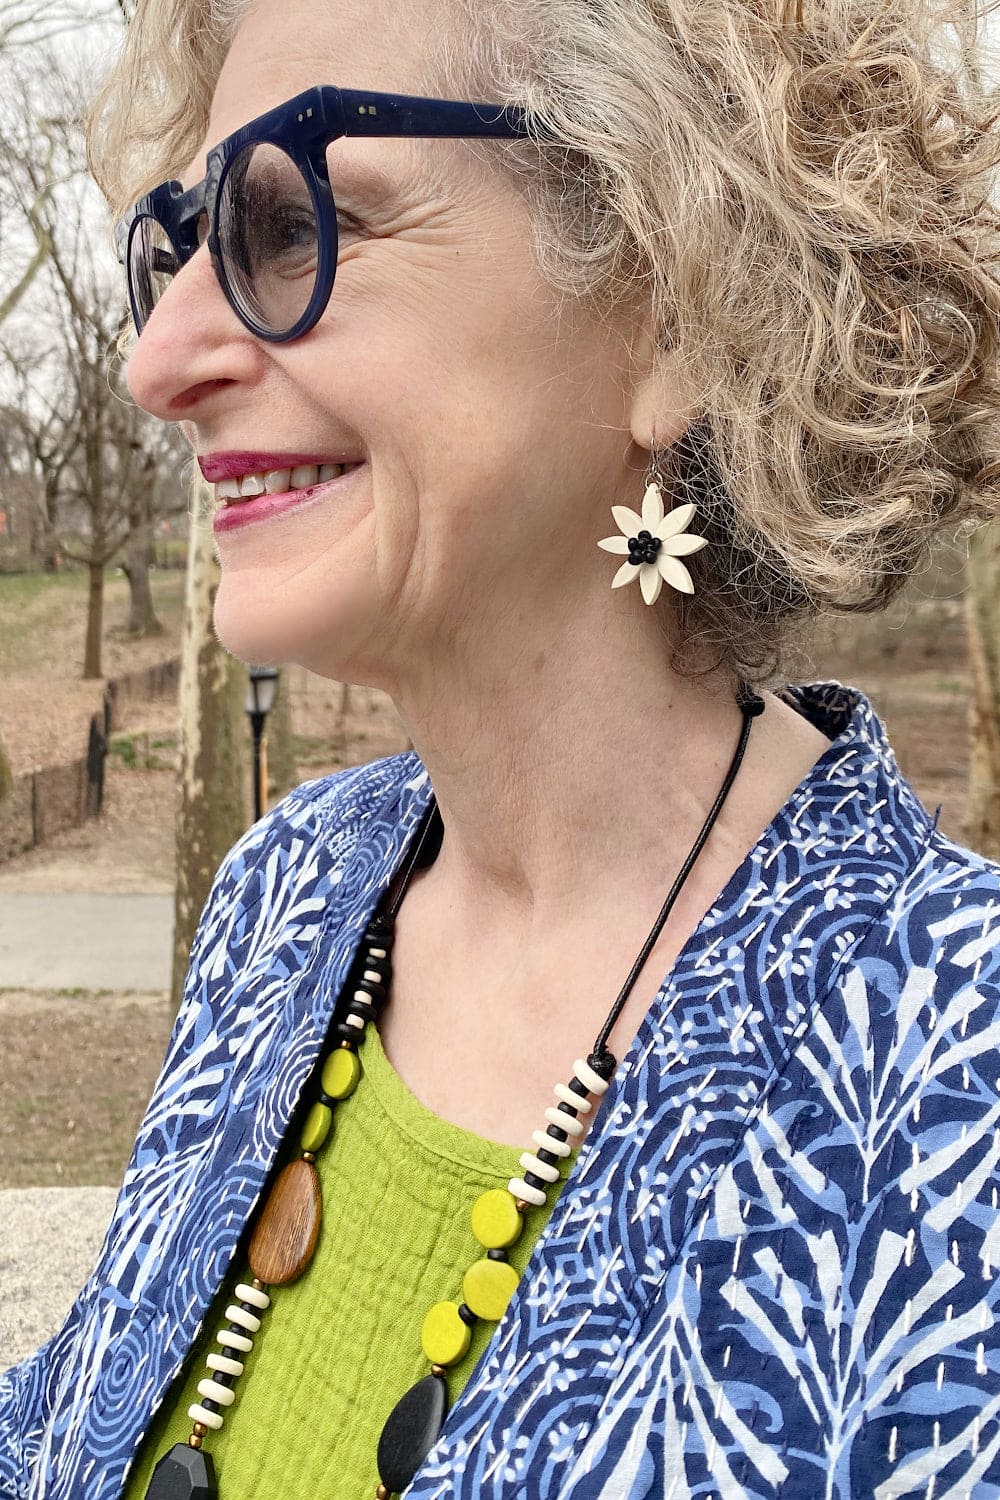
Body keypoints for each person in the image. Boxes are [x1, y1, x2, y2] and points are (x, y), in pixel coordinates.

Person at [4, 0, 1000, 1494]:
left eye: (293, 227)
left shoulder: (950, 1091)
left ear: (674, 304)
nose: (162, 361)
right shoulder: (290, 896)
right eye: (180, 245)